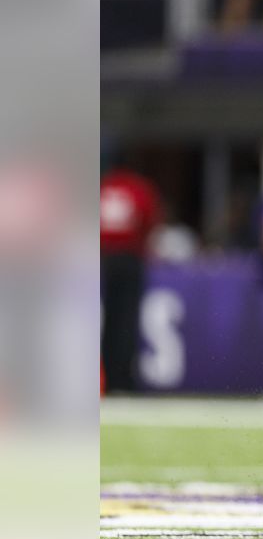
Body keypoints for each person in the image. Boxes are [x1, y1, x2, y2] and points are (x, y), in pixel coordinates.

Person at [100, 161, 161, 393]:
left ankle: (109, 377)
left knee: (110, 321)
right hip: (129, 258)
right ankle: (122, 379)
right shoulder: (138, 187)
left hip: (106, 259)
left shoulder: (104, 185)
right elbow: (149, 221)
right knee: (126, 321)